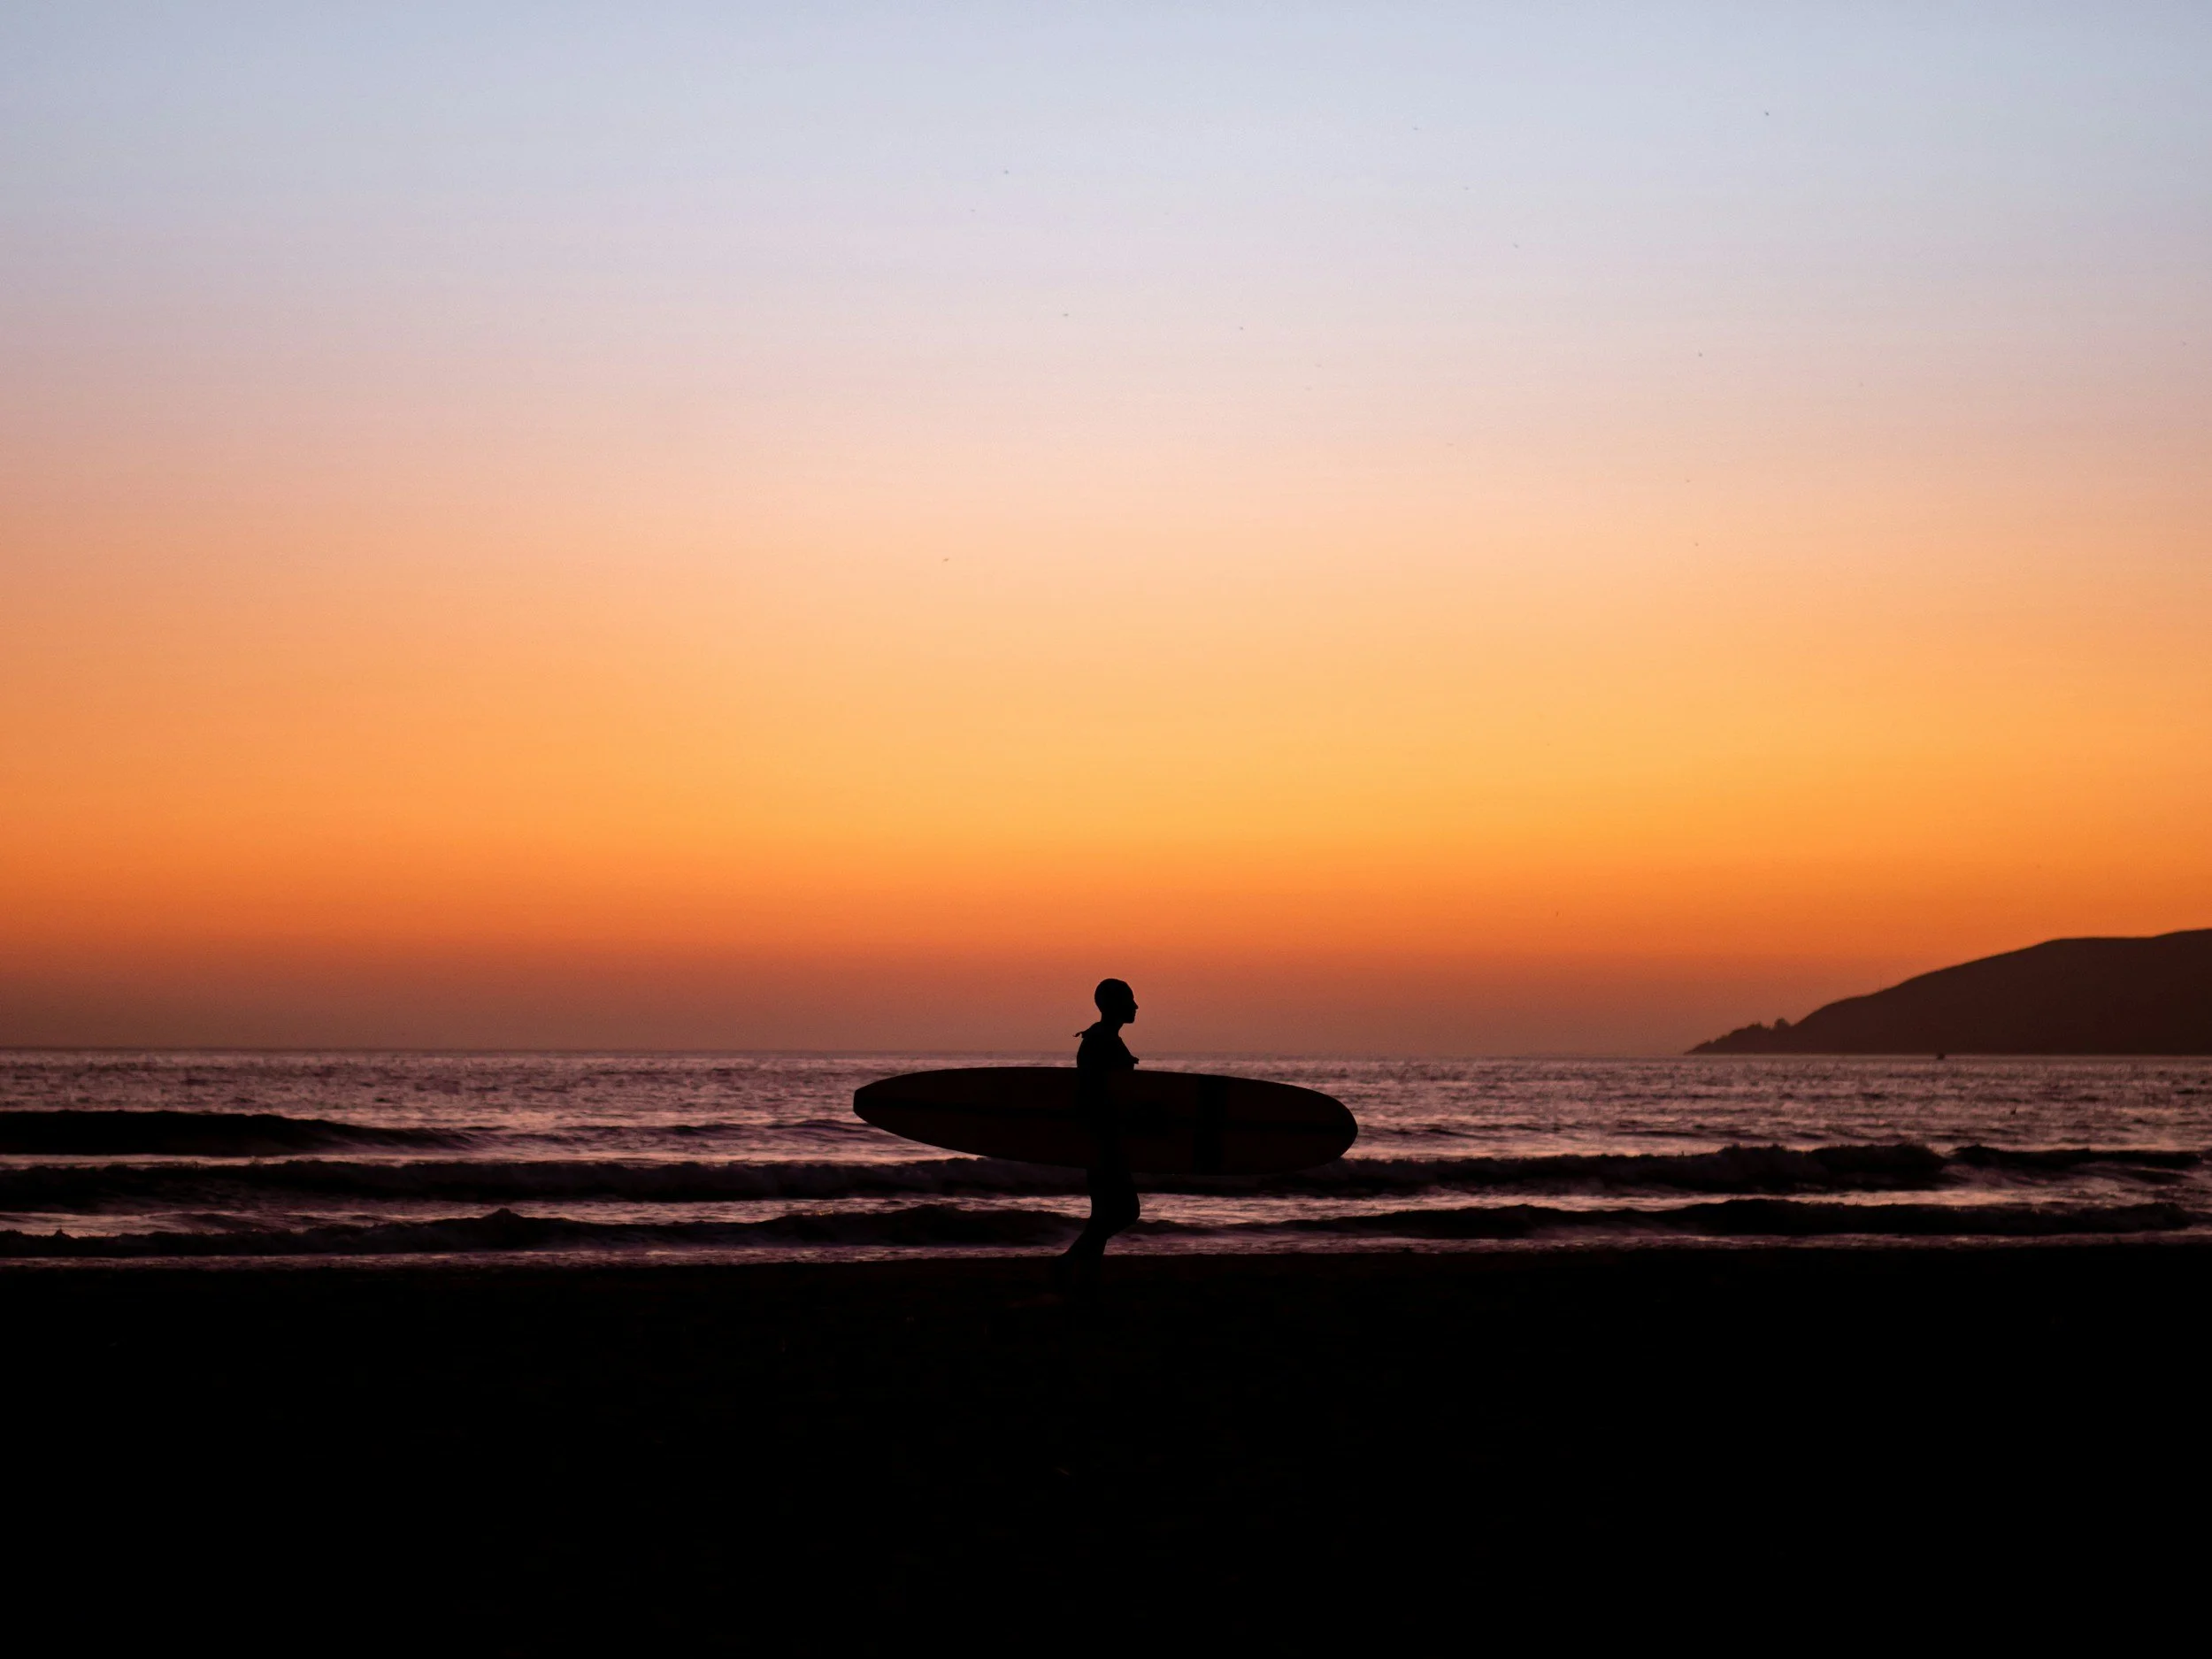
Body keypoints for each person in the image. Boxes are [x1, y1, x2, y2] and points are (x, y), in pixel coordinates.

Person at [1053, 978, 1141, 1298]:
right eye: (1129, 1000)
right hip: (1104, 1140)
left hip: (1101, 1138)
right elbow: (1096, 1095)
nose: (1135, 1006)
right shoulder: (1100, 1043)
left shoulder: (1102, 1040)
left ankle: (1088, 1279)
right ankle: (1068, 1262)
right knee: (1127, 1211)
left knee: (1103, 1213)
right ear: (1114, 1005)